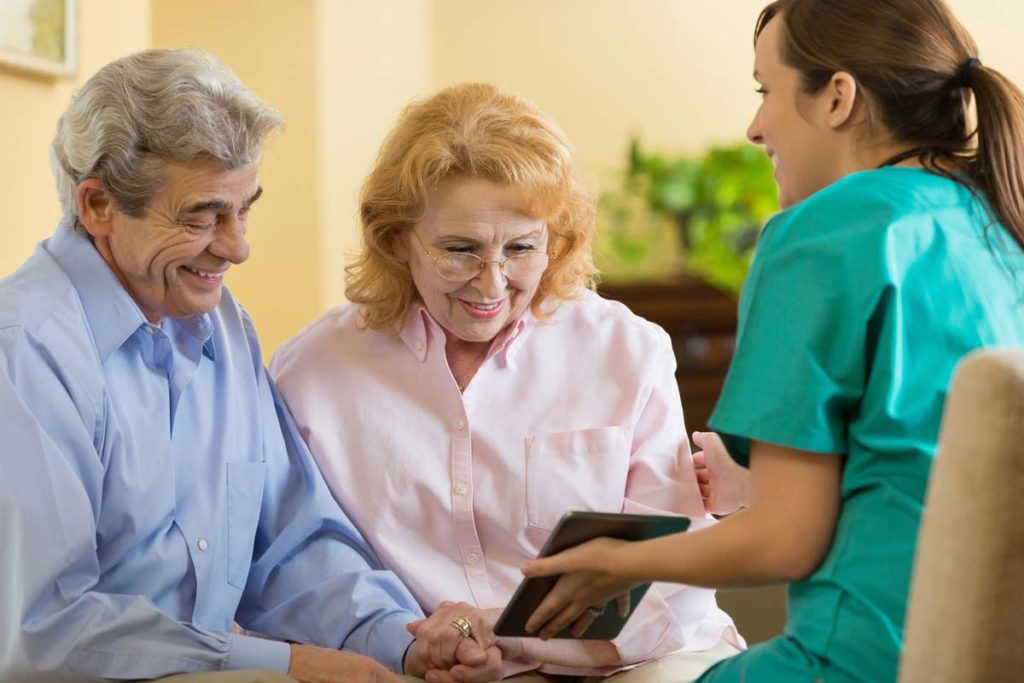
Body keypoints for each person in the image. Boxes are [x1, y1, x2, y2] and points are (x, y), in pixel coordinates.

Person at [518, 1, 1024, 681]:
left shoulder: (820, 235)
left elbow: (786, 541)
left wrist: (615, 563)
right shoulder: (994, 224)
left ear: (838, 97)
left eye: (766, 91)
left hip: (856, 660)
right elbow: (924, 464)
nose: (755, 127)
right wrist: (761, 482)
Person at [0, 49, 502, 683]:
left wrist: (400, 641)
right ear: (98, 206)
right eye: (202, 217)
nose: (238, 246)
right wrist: (289, 664)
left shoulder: (221, 325)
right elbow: (43, 633)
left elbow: (291, 543)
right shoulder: (24, 353)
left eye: (244, 209)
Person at [269, 82, 744, 682]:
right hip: (422, 666)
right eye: (459, 249)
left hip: (636, 661)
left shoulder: (627, 350)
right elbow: (302, 566)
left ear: (557, 241)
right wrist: (427, 648)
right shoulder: (310, 372)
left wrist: (512, 640)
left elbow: (671, 573)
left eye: (521, 247)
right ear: (396, 239)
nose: (491, 285)